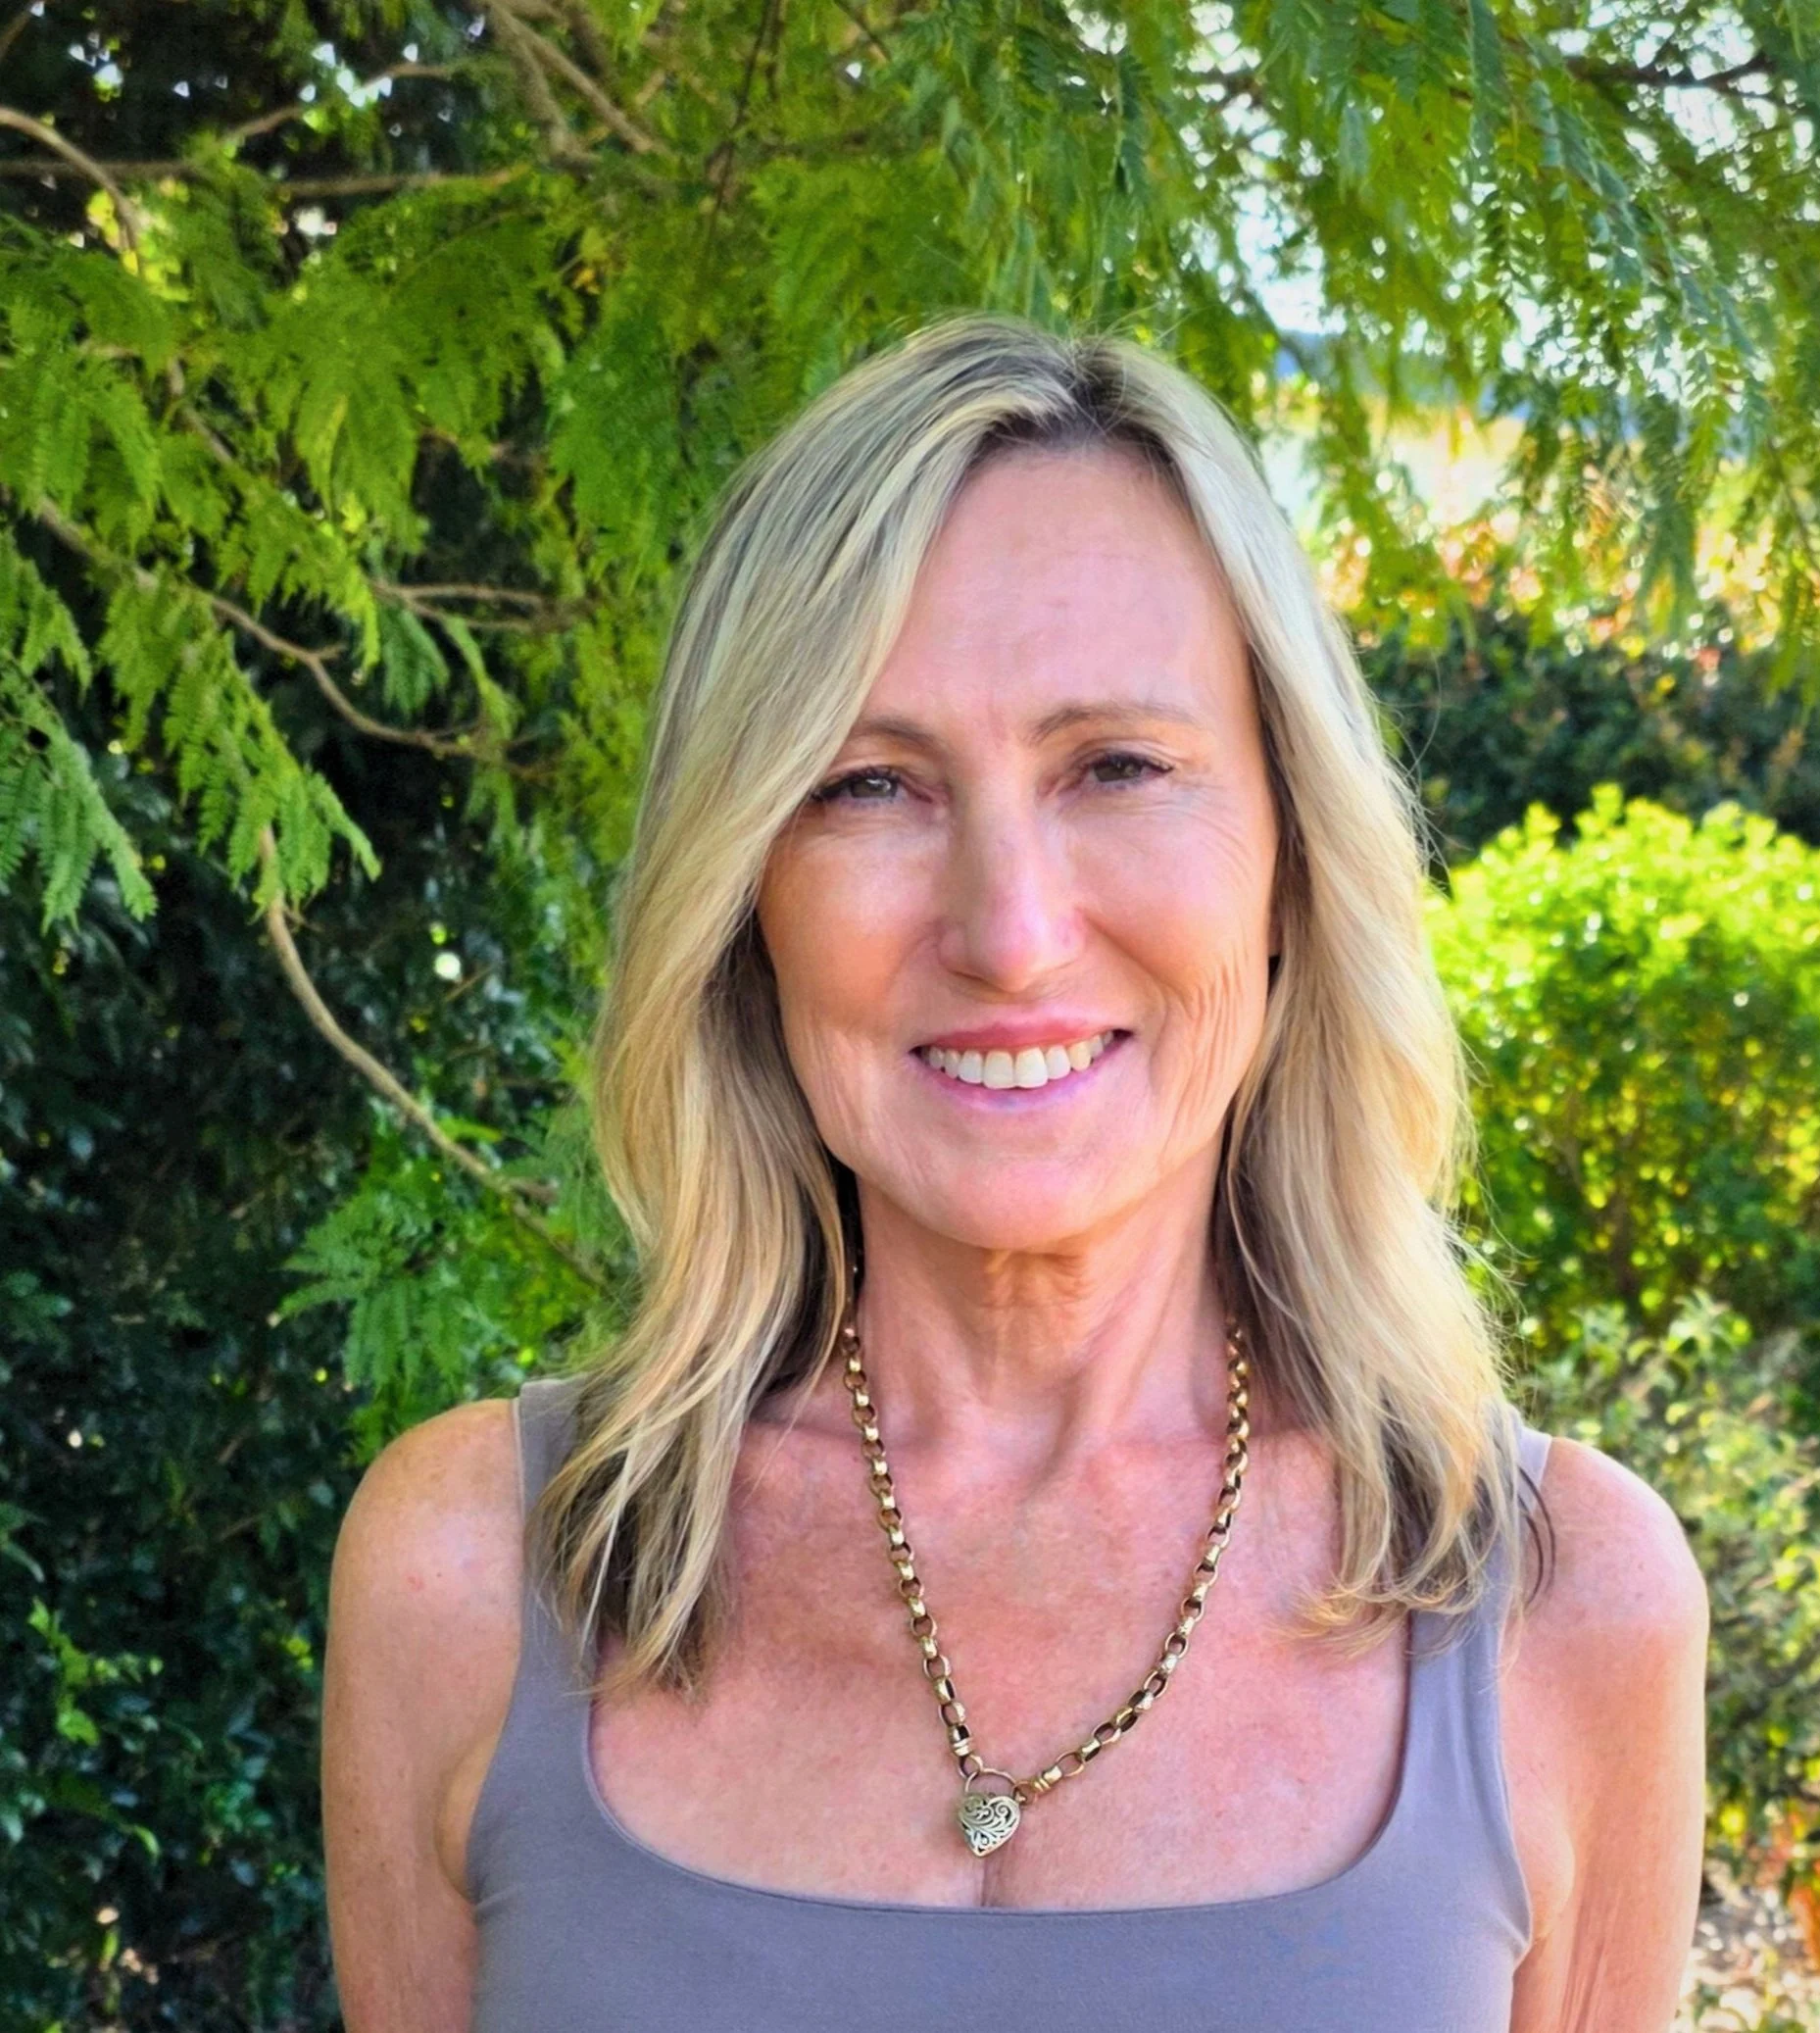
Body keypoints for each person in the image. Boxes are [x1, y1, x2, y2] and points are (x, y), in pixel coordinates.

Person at [320, 316, 1708, 2031]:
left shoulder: (1562, 1608)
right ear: (743, 896)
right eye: (869, 784)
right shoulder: (470, 1574)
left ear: (1290, 863)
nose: (1009, 931)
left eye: (1116, 766)